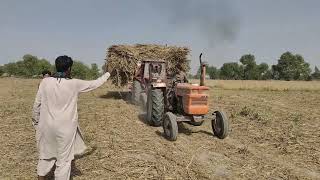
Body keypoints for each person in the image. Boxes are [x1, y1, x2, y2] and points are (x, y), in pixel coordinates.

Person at [32, 55, 110, 180]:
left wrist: (36, 122)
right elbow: (95, 84)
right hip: (65, 129)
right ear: (69, 69)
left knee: (45, 156)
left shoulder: (45, 82)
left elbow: (37, 104)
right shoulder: (74, 84)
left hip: (46, 127)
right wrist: (107, 74)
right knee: (64, 161)